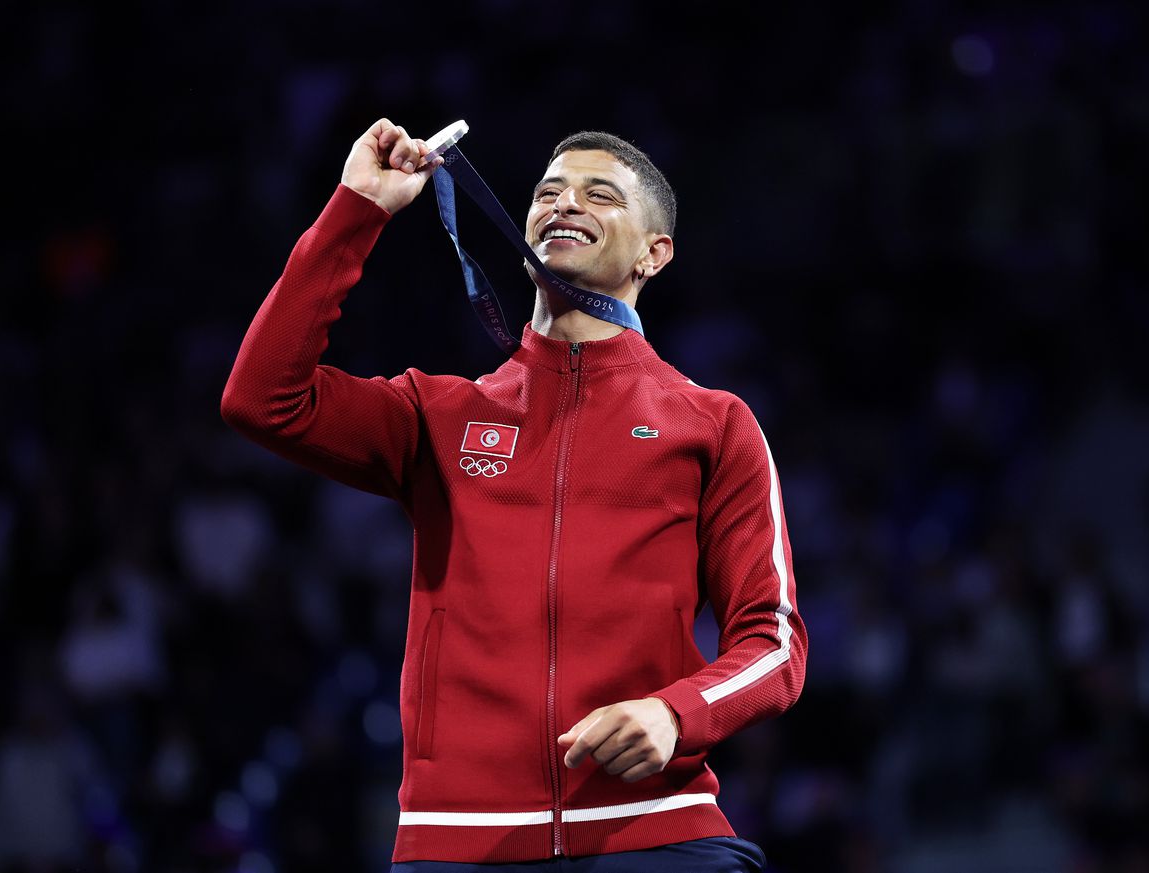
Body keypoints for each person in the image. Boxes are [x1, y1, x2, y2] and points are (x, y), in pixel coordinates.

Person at [221, 118, 807, 872]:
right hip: (460, 841)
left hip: (654, 832)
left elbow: (776, 640)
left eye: (600, 195)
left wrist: (677, 712)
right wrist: (356, 209)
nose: (564, 205)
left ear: (654, 254)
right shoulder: (438, 415)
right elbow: (262, 398)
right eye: (547, 193)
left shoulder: (714, 423)